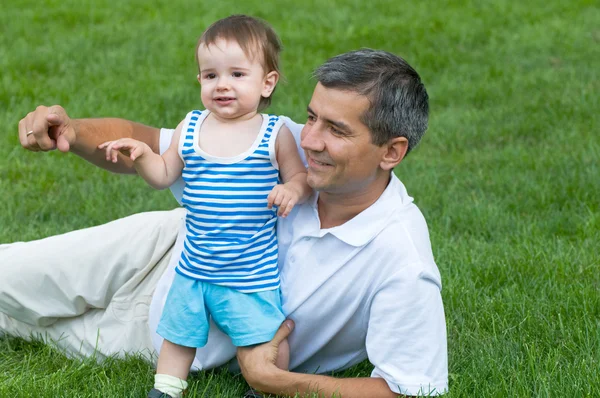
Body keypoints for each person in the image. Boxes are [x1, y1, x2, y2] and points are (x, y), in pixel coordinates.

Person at [6, 48, 448, 397]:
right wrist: (70, 130)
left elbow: (410, 389)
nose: (309, 139)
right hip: (159, 246)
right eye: (312, 116)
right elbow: (146, 142)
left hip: (166, 333)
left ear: (391, 151)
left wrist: (275, 380)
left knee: (15, 321)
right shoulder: (281, 140)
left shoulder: (402, 261)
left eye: (336, 130)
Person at [96, 15, 311, 398]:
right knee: (179, 334)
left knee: (262, 334)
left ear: (267, 82)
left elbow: (300, 178)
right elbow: (164, 174)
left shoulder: (273, 133)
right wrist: (144, 154)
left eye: (237, 75)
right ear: (199, 81)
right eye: (210, 75)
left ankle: (268, 388)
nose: (222, 85)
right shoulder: (191, 126)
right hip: (195, 265)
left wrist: (291, 190)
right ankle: (165, 389)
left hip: (249, 271)